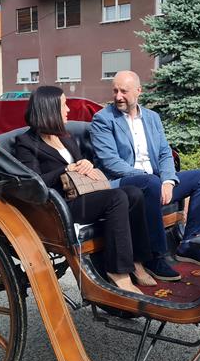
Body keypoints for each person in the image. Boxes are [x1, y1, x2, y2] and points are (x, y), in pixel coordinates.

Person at [14, 86, 156, 294]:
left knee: (133, 193)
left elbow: (80, 162)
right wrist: (65, 169)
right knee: (116, 197)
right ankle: (118, 271)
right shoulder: (26, 143)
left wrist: (85, 163)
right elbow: (35, 183)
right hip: (61, 204)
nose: (68, 110)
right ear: (49, 109)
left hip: (85, 193)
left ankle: (137, 262)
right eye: (64, 105)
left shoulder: (65, 136)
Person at [90, 71, 200, 282]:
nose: (118, 96)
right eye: (115, 91)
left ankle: (191, 244)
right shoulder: (103, 119)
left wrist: (167, 181)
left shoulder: (152, 118)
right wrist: (151, 179)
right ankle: (155, 257)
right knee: (150, 182)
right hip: (124, 183)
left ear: (139, 91)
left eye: (124, 91)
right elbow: (110, 161)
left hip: (155, 182)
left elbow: (165, 153)